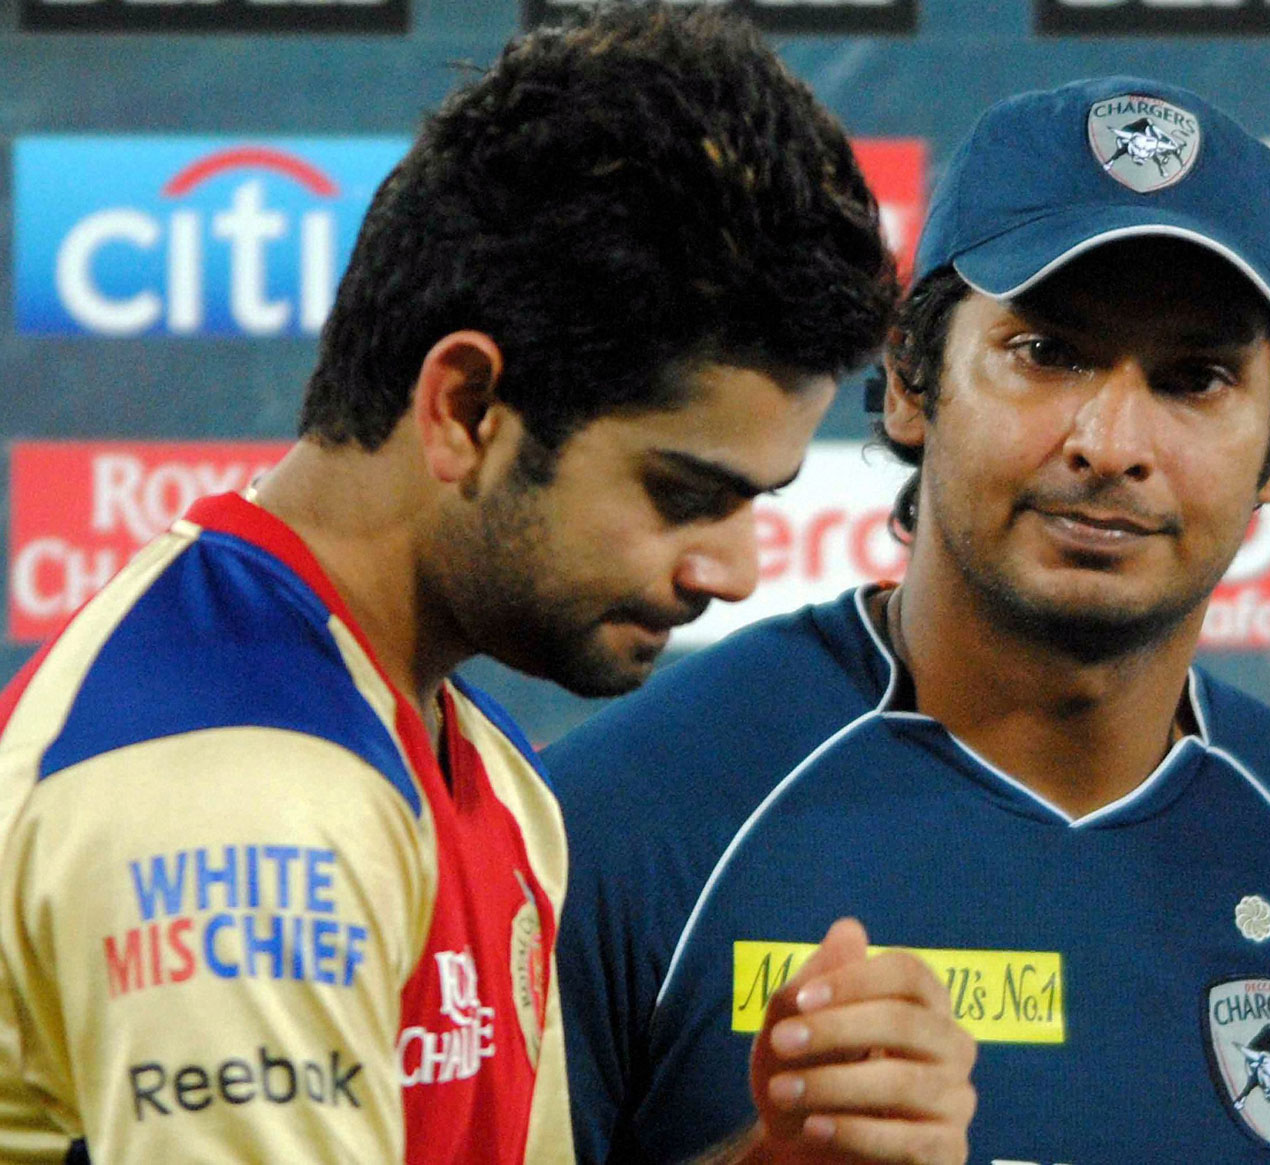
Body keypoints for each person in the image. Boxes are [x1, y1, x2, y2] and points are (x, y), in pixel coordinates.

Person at [0, 6, 979, 1162]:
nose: (735, 569)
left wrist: (787, 1156)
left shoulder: (467, 758)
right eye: (682, 491)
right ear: (466, 407)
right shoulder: (244, 801)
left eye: (755, 501)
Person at [547, 76, 1270, 1164]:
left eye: (1194, 377)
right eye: (1049, 353)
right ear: (911, 380)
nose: (1112, 441)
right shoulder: (620, 825)